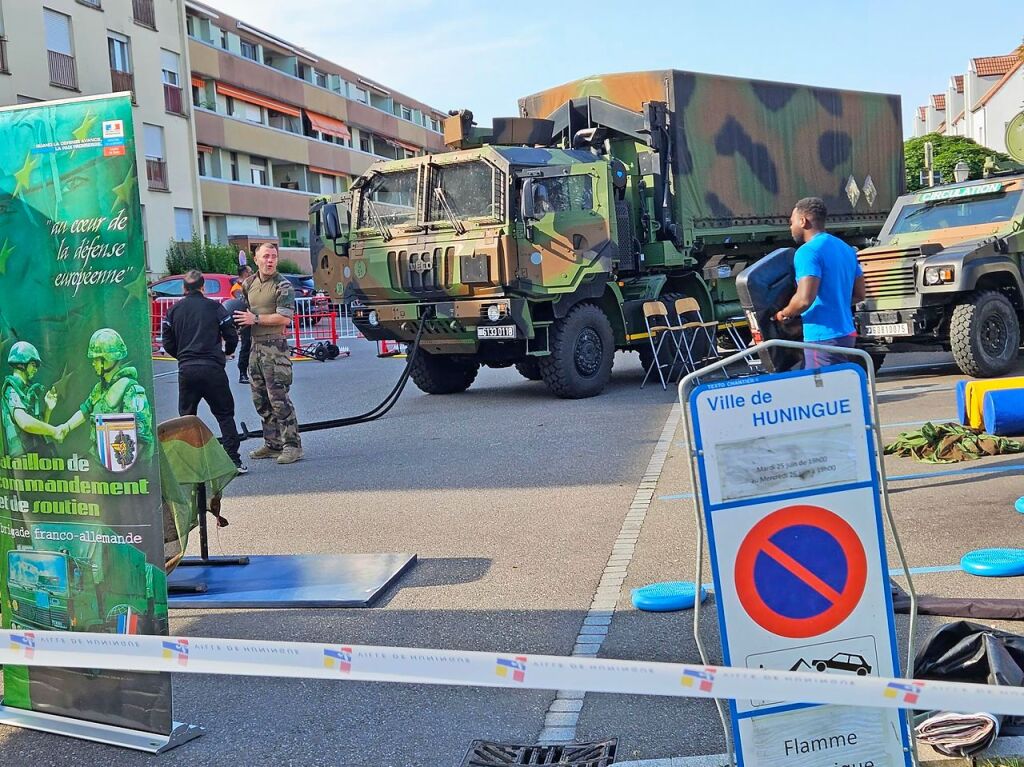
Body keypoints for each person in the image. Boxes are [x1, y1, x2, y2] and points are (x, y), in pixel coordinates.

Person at [162, 270, 246, 473]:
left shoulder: (173, 311)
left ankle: (189, 465)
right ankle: (232, 460)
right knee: (225, 414)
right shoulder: (215, 307)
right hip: (212, 369)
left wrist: (182, 357)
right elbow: (232, 336)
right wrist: (227, 352)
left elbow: (167, 342)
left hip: (187, 370)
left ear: (183, 288)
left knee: (186, 417)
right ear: (203, 287)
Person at [774, 197, 866, 369]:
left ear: (803, 221)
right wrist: (835, 301)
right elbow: (860, 294)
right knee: (836, 388)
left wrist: (785, 314)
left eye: (791, 222)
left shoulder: (807, 252)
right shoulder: (846, 249)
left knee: (820, 391)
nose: (790, 227)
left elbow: (804, 299)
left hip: (821, 337)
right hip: (846, 334)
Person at [233, 243, 302, 465]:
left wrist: (256, 319)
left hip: (275, 348)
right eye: (265, 256)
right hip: (255, 347)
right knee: (260, 399)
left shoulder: (283, 286)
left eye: (273, 257)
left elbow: (284, 318)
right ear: (256, 259)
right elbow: (243, 312)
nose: (270, 260)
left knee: (279, 399)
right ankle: (273, 443)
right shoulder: (249, 284)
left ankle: (292, 445)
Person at [56, 328, 154, 468]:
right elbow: (85, 410)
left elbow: (142, 437)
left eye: (97, 359)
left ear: (109, 359)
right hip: (100, 459)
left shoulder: (131, 391)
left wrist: (122, 468)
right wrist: (66, 427)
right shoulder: (100, 389)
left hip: (123, 467)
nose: (93, 363)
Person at [1, 342, 61, 457]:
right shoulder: (11, 389)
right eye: (33, 364)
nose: (36, 369)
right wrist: (54, 431)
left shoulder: (25, 391)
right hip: (22, 459)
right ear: (22, 364)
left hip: (34, 456)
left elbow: (38, 429)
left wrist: (48, 409)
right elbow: (25, 423)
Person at [226, 264, 254, 384]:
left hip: (254, 318)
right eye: (250, 271)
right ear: (245, 273)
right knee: (246, 346)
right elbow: (243, 300)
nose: (252, 273)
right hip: (244, 321)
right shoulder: (237, 288)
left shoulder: (250, 285)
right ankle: (243, 373)